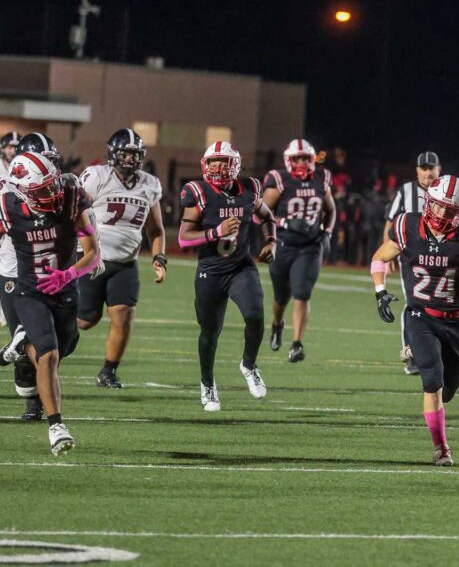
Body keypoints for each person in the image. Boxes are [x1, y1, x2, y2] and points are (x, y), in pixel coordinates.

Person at [0, 152, 100, 454]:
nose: (52, 192)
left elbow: (92, 253)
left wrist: (68, 274)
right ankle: (57, 426)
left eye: (52, 184)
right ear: (23, 192)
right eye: (42, 189)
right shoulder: (8, 206)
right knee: (49, 353)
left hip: (66, 289)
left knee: (65, 346)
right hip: (30, 292)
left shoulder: (71, 196)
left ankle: (19, 346)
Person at [371, 175, 459, 466]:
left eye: (450, 210)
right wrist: (380, 291)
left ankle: (417, 352)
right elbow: (379, 257)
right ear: (428, 202)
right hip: (420, 316)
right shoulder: (407, 225)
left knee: (449, 388)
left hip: (455, 321)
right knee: (432, 380)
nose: (442, 214)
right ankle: (441, 447)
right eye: (438, 206)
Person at [178, 141, 276, 411]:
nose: (218, 168)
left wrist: (271, 242)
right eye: (213, 162)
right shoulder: (198, 192)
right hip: (210, 271)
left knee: (255, 316)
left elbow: (267, 217)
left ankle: (249, 365)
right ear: (205, 164)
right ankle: (207, 384)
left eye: (223, 162)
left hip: (240, 267)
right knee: (210, 332)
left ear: (236, 165)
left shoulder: (249, 189)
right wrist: (215, 232)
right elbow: (183, 238)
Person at [76, 128, 166, 388]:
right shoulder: (97, 176)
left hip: (126, 263)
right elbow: (75, 213)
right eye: (125, 153)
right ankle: (34, 332)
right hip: (92, 259)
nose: (129, 159)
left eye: (134, 154)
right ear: (113, 153)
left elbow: (156, 230)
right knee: (85, 321)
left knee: (124, 316)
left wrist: (159, 257)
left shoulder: (150, 184)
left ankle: (108, 372)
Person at [262, 138, 335, 363]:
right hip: (283, 244)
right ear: (288, 160)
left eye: (306, 158)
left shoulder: (321, 178)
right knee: (281, 296)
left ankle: (296, 343)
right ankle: (277, 324)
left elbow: (331, 210)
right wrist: (285, 222)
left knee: (302, 293)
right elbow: (260, 214)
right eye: (297, 158)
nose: (302, 163)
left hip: (310, 246)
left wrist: (327, 233)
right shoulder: (279, 179)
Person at [383, 151, 441, 375]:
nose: (427, 173)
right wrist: (388, 253)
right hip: (411, 256)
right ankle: (412, 354)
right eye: (423, 168)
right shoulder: (406, 191)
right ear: (417, 170)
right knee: (414, 303)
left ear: (438, 169)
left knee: (441, 304)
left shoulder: (446, 190)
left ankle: (439, 352)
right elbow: (390, 222)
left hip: (441, 256)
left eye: (431, 168)